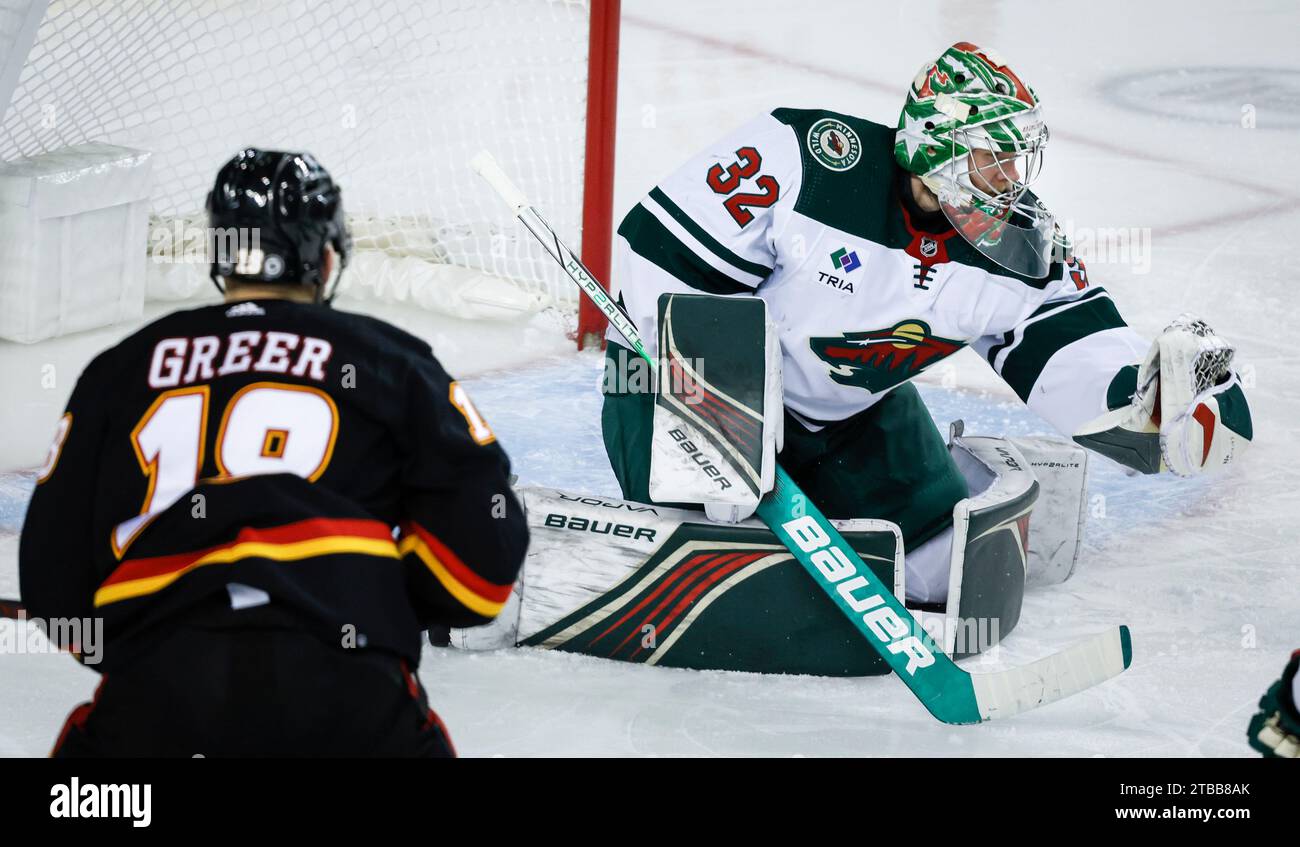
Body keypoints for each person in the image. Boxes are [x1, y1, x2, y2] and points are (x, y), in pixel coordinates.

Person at [602, 41, 1253, 603]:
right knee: (720, 552)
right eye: (990, 158)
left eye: (1015, 159)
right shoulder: (807, 160)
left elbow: (1067, 345)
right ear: (934, 149)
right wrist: (724, 415)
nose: (1009, 180)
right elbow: (654, 255)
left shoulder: (1020, 241)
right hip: (675, 385)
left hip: (844, 416)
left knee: (949, 571)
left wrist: (1154, 408)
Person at [19, 148, 527, 757]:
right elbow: (482, 553)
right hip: (346, 678)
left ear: (220, 255)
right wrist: (375, 605)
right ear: (329, 257)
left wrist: (138, 642)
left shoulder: (120, 369)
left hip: (160, 681)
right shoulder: (390, 360)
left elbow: (52, 570)